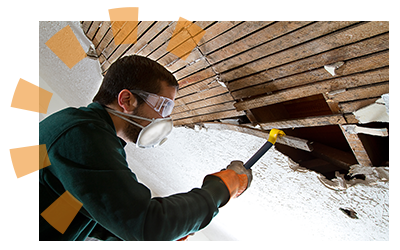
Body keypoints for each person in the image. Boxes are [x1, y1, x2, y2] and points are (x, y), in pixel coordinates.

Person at [39, 55, 252, 241]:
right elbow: (149, 225)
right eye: (163, 107)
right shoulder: (80, 135)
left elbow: (80, 213)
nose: (165, 119)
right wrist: (222, 187)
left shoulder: (80, 130)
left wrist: (169, 230)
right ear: (126, 99)